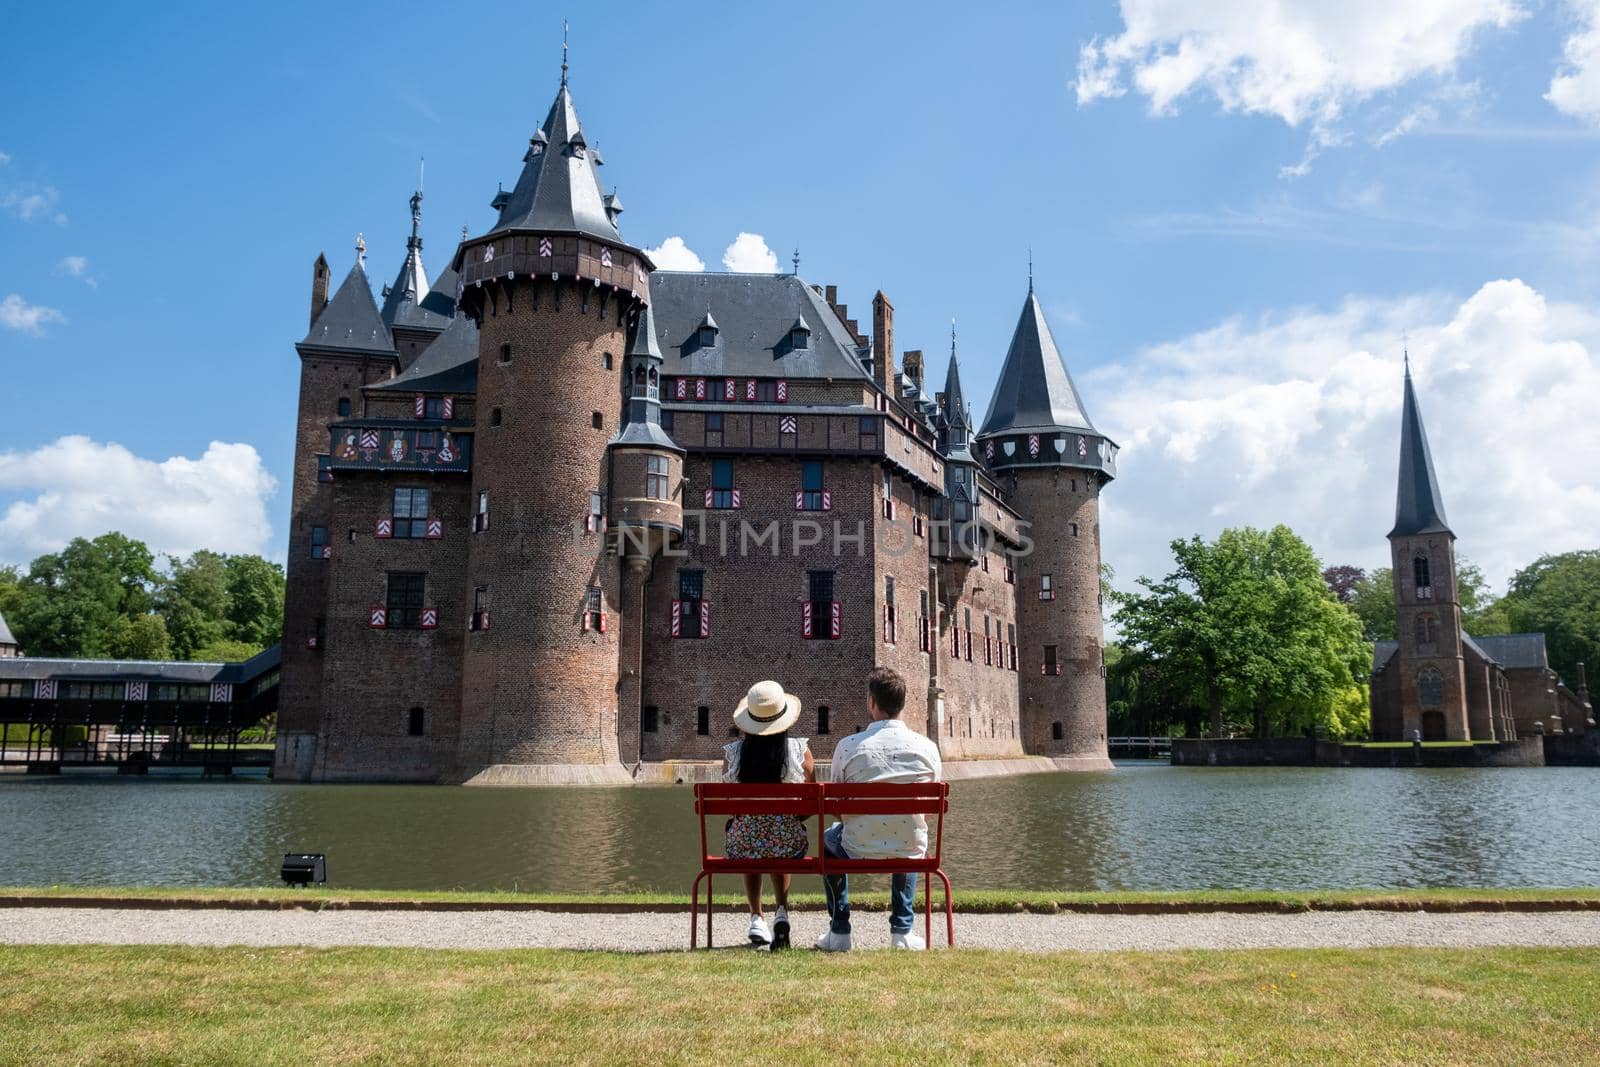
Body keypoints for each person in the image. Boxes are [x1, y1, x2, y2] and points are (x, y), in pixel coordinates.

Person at [816, 666, 942, 952]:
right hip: (909, 848)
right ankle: (902, 931)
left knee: (828, 839)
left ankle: (839, 931)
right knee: (910, 837)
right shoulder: (927, 748)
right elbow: (929, 808)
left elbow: (835, 806)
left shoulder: (847, 747)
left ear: (872, 702)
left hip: (856, 847)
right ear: (903, 704)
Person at [723, 679, 814, 950]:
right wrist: (789, 819)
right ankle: (782, 912)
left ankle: (756, 918)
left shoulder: (734, 754)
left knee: (748, 831)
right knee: (780, 834)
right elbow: (809, 805)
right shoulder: (800, 752)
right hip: (788, 843)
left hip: (744, 844)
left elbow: (729, 806)